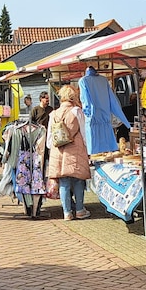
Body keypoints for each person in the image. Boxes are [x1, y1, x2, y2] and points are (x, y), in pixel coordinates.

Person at [47, 85, 92, 220]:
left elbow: (49, 139)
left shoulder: (53, 114)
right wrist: (87, 149)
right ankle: (79, 210)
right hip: (75, 149)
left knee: (64, 181)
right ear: (73, 97)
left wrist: (53, 149)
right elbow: (84, 133)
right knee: (78, 180)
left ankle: (67, 213)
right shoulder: (76, 111)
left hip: (58, 150)